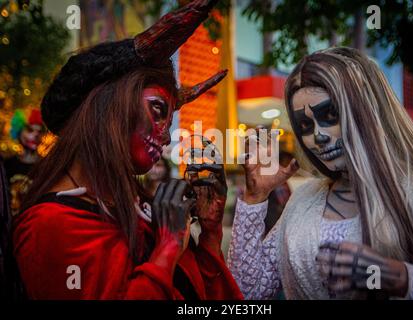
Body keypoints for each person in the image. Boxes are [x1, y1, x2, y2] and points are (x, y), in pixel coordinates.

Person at [11, 0, 242, 300]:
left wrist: (209, 234)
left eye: (169, 121)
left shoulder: (136, 210)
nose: (165, 136)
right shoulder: (48, 227)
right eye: (157, 110)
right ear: (107, 108)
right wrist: (168, 248)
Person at [228, 47, 413, 299]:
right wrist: (255, 197)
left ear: (365, 111)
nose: (318, 136)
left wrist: (403, 279)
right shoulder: (303, 202)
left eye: (329, 116)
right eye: (305, 126)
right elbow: (247, 294)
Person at [3, 109, 44, 215]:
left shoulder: (46, 166)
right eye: (30, 130)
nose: (35, 135)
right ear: (19, 132)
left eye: (39, 131)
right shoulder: (7, 164)